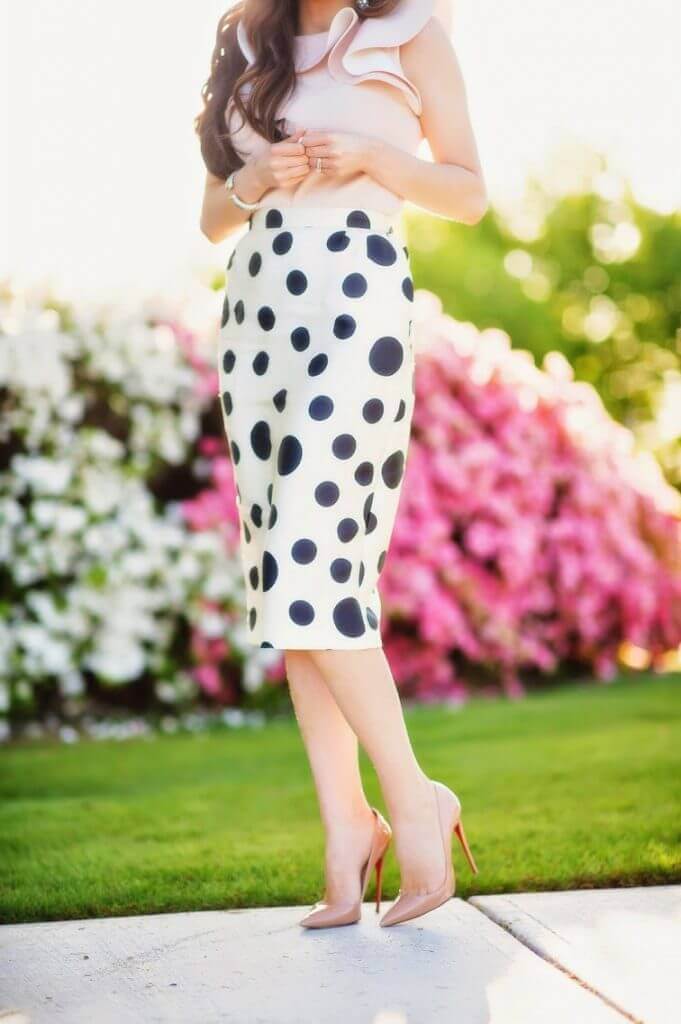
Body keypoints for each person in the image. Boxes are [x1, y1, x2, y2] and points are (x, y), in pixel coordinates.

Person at [195, 0, 486, 928]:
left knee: (315, 565)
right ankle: (344, 835)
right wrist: (251, 175)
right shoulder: (245, 38)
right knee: (293, 586)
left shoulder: (412, 35)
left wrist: (375, 160)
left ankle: (416, 808)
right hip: (259, 315)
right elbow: (210, 218)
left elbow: (468, 191)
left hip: (358, 299)